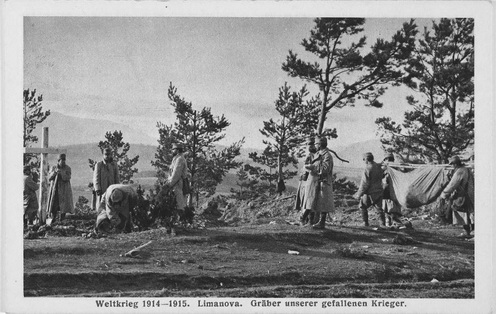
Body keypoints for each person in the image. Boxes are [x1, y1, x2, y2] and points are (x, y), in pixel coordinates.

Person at [303, 136, 335, 229]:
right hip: (317, 181)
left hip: (324, 182)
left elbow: (325, 169)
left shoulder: (327, 155)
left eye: (316, 144)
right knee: (314, 201)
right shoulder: (319, 153)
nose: (315, 145)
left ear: (320, 145)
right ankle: (310, 221)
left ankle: (322, 222)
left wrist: (313, 167)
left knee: (323, 203)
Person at [440, 156, 474, 238]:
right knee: (470, 213)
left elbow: (452, 184)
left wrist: (444, 194)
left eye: (452, 164)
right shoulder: (467, 169)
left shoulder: (460, 171)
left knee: (463, 212)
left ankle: (467, 231)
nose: (452, 166)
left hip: (463, 195)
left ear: (455, 164)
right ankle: (471, 231)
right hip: (470, 194)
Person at [353, 152, 384, 227]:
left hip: (370, 193)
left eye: (364, 160)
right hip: (379, 191)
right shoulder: (378, 166)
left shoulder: (367, 169)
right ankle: (382, 224)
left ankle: (365, 223)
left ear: (366, 159)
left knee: (362, 206)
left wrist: (358, 194)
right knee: (379, 209)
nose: (364, 162)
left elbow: (364, 184)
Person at [166, 143, 189, 236]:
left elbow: (176, 174)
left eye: (173, 149)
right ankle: (172, 226)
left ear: (177, 150)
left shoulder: (179, 159)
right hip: (174, 184)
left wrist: (169, 185)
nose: (172, 151)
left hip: (177, 185)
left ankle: (175, 227)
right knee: (174, 205)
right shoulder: (176, 159)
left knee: (177, 205)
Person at [47, 154, 74, 222]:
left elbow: (67, 178)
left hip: (64, 190)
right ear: (58, 161)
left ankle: (62, 219)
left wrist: (61, 173)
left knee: (64, 205)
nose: (64, 162)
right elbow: (49, 178)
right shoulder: (53, 167)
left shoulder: (68, 168)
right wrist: (54, 173)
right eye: (62, 160)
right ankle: (53, 218)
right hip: (55, 189)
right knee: (54, 204)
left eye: (64, 160)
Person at [296, 137, 317, 225]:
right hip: (305, 180)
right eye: (309, 144)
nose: (310, 146)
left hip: (309, 180)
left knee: (309, 201)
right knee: (306, 201)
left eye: (311, 144)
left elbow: (309, 168)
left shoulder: (313, 155)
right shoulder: (310, 155)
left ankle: (306, 219)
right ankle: (306, 219)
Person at [381, 153, 403, 227]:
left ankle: (390, 222)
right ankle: (391, 221)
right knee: (391, 206)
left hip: (388, 189)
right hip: (394, 189)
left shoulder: (386, 167)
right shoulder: (396, 167)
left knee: (388, 207)